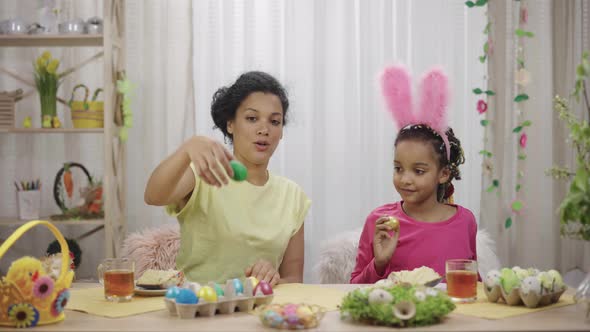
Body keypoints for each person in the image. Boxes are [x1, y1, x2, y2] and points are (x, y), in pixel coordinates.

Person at [144, 71, 311, 286]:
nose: (264, 129)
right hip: (197, 308)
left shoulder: (293, 195)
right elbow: (153, 196)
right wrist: (186, 150)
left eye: (274, 121)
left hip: (258, 313)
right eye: (252, 118)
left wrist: (273, 278)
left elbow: (294, 279)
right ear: (230, 124)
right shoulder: (204, 172)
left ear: (281, 131)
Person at [350, 65, 477, 284]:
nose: (405, 179)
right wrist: (379, 263)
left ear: (444, 173)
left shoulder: (465, 221)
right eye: (398, 168)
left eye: (418, 171)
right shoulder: (379, 222)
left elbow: (473, 284)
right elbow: (354, 288)